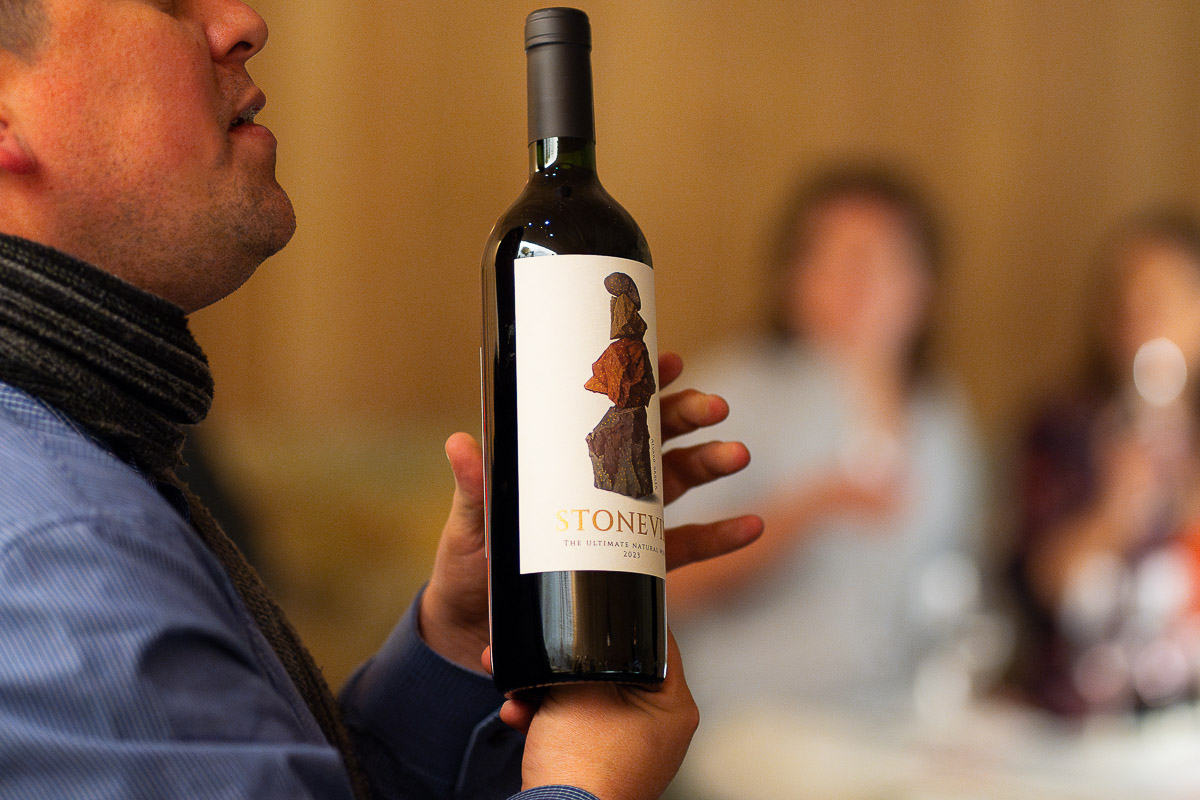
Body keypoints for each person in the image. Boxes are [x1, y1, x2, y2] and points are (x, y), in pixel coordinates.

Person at [0, 2, 763, 799]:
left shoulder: (97, 454)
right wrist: (588, 787)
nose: (244, 21)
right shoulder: (54, 554)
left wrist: (457, 642)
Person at [666, 165, 985, 723]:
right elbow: (661, 582)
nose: (860, 286)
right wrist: (806, 512)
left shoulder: (940, 415)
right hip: (759, 708)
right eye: (839, 261)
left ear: (923, 285)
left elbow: (962, 589)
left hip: (901, 712)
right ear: (792, 279)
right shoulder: (731, 396)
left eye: (885, 261)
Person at [1012, 209, 1200, 716]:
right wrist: (1117, 510)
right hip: (1077, 709)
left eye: (1159, 299)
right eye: (1123, 299)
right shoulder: (1062, 428)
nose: (1137, 317)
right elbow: (1038, 586)